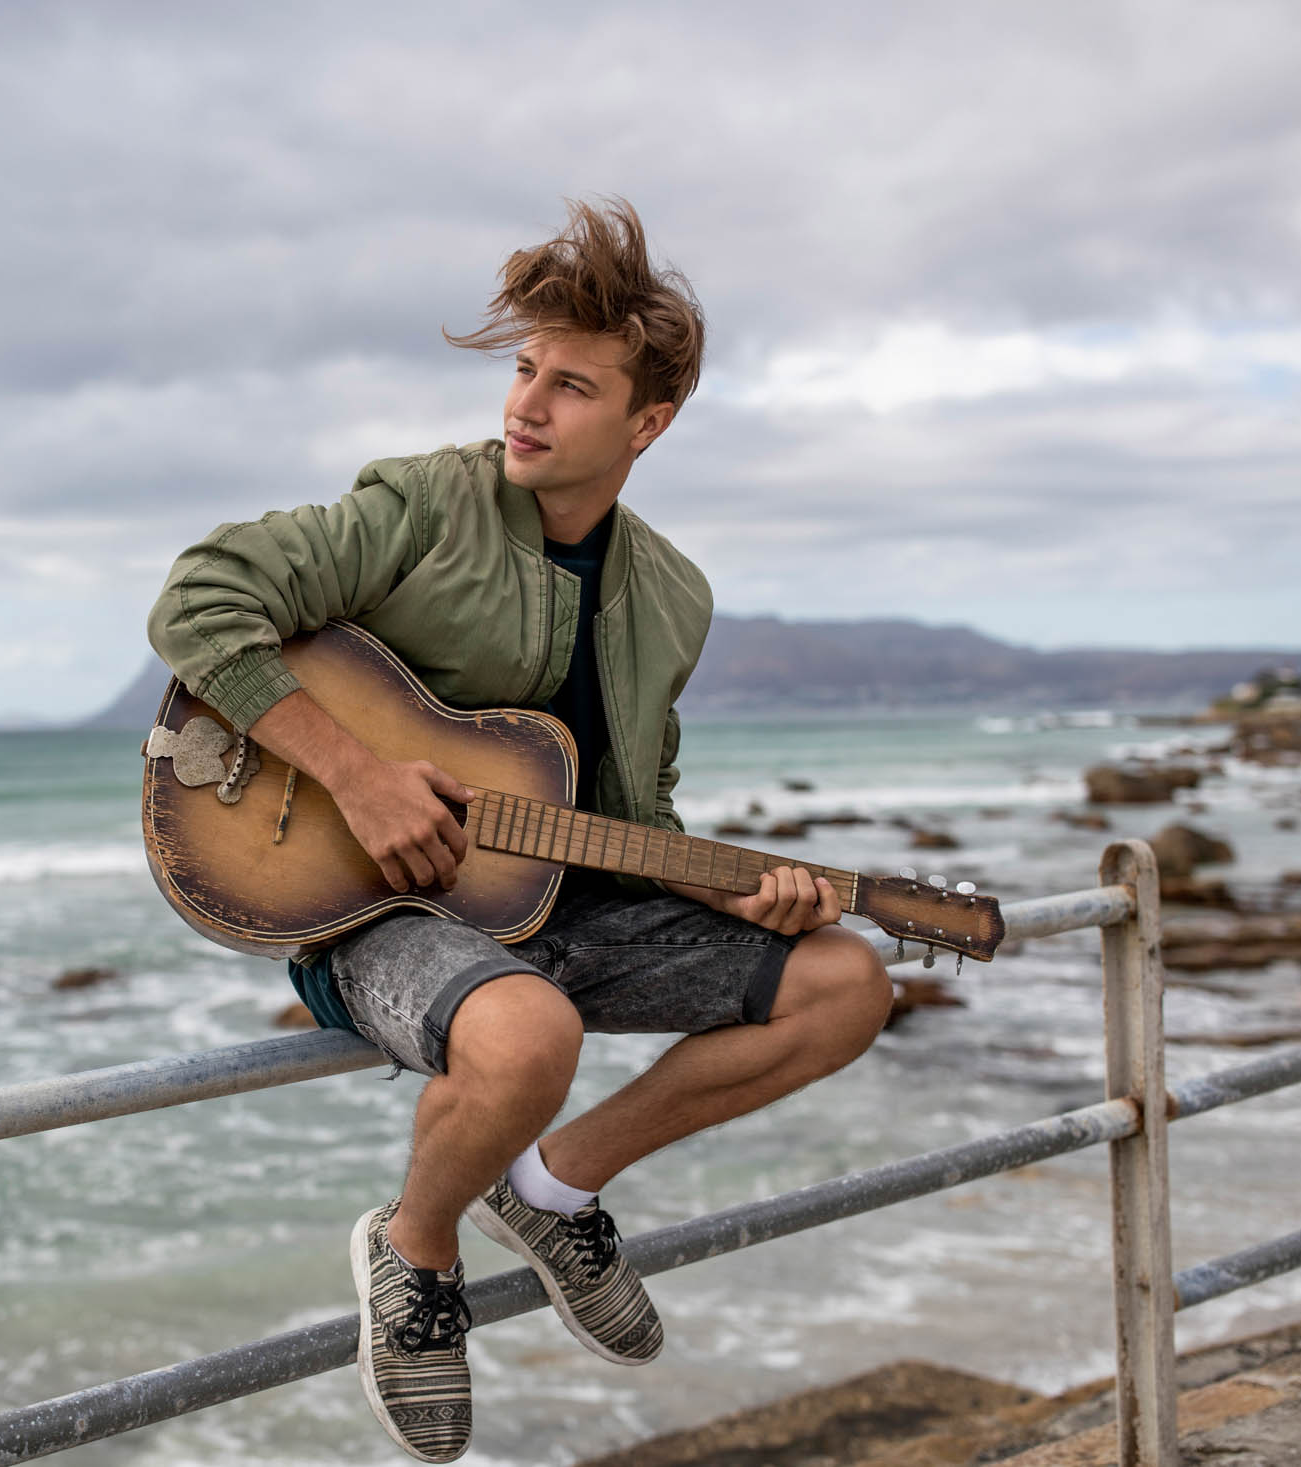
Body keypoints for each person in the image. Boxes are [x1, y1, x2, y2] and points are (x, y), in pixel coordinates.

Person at [146, 198, 892, 1463]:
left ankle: (549, 1190)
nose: (527, 407)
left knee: (847, 982)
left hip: (556, 898)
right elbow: (198, 601)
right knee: (524, 1030)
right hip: (363, 903)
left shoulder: (672, 595)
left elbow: (625, 812)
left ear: (646, 424)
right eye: (524, 371)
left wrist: (729, 887)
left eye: (573, 387)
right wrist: (362, 774)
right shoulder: (422, 508)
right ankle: (412, 1250)